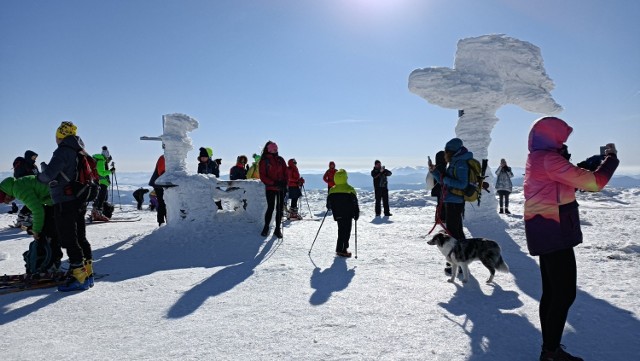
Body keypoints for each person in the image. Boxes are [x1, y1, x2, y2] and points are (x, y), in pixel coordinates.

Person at [524, 117, 618, 361]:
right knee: (564, 294)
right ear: (552, 137)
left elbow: (565, 184)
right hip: (553, 231)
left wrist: (583, 163)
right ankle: (551, 352)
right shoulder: (549, 159)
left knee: (552, 292)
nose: (563, 142)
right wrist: (611, 159)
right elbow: (595, 183)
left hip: (545, 229)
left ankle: (550, 350)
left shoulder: (540, 157)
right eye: (561, 138)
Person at [37, 121, 94, 291]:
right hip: (79, 198)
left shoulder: (63, 151)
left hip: (65, 199)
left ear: (60, 135)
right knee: (80, 236)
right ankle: (88, 273)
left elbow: (48, 176)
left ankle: (78, 277)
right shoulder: (79, 151)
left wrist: (39, 176)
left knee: (69, 238)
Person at [0, 175, 63, 273]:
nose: (7, 202)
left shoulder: (18, 189)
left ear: (6, 194)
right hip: (57, 197)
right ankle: (50, 263)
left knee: (49, 232)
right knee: (47, 229)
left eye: (5, 200)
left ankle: (51, 265)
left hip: (61, 198)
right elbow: (41, 199)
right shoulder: (18, 184)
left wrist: (36, 231)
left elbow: (38, 211)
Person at [428, 138, 471, 275]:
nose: (445, 154)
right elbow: (444, 180)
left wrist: (445, 179)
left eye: (447, 151)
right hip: (451, 201)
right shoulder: (455, 162)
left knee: (453, 233)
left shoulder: (461, 163)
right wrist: (434, 171)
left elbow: (462, 184)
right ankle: (461, 259)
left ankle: (458, 263)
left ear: (452, 151)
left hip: (455, 202)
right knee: (456, 231)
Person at [326, 169, 359, 257]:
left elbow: (328, 205)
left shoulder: (332, 190)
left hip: (337, 214)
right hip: (348, 214)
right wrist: (356, 213)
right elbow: (355, 203)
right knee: (346, 231)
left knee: (341, 230)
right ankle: (343, 249)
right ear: (345, 178)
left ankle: (339, 248)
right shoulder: (350, 189)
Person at [258, 141, 288, 238]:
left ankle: (277, 229)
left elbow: (286, 172)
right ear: (269, 149)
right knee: (271, 208)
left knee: (279, 209)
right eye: (274, 149)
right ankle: (266, 227)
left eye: (276, 149)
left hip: (280, 187)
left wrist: (284, 183)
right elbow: (263, 176)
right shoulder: (264, 161)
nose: (275, 151)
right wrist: (274, 183)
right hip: (271, 187)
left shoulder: (280, 160)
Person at [12, 150, 40, 228]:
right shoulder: (23, 165)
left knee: (34, 202)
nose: (35, 159)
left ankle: (23, 217)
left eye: (35, 157)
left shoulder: (33, 166)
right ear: (29, 157)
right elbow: (19, 177)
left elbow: (38, 175)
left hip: (35, 187)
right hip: (26, 188)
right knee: (33, 202)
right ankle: (23, 218)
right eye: (33, 157)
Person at [90, 151, 115, 221]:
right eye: (108, 158)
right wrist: (110, 171)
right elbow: (101, 172)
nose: (108, 160)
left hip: (99, 181)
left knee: (100, 197)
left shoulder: (99, 160)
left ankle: (95, 212)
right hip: (102, 182)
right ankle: (98, 213)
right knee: (101, 198)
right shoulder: (101, 161)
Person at [149, 153, 167, 226]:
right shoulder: (163, 158)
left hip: (160, 183)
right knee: (162, 203)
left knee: (164, 203)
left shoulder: (166, 157)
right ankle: (161, 222)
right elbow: (161, 171)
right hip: (159, 183)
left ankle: (164, 221)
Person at [430, 151, 447, 223]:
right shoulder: (442, 167)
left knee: (440, 203)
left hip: (437, 189)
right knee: (442, 204)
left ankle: (439, 218)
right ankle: (442, 218)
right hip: (441, 189)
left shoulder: (436, 167)